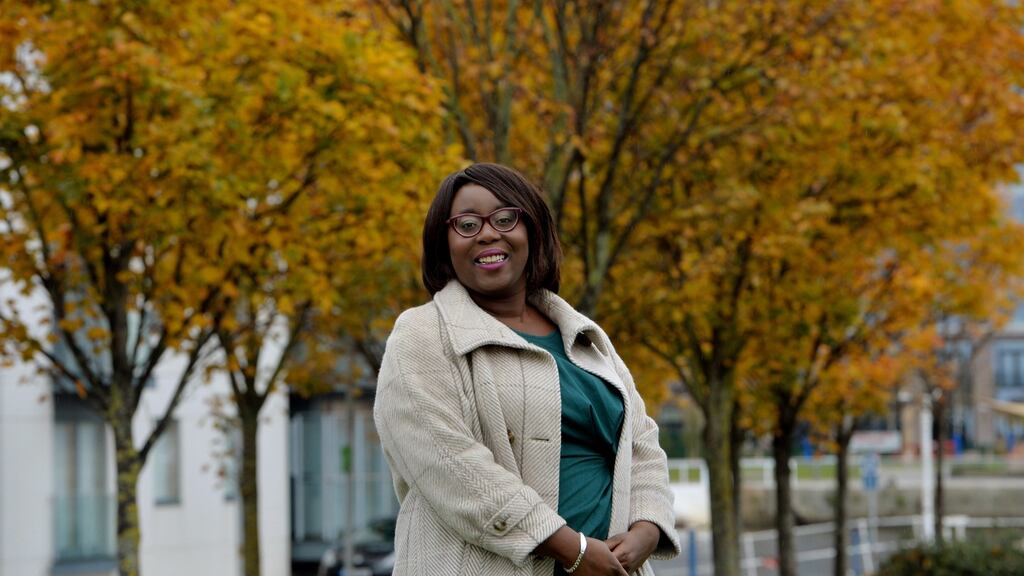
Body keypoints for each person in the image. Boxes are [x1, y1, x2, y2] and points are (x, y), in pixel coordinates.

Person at [373, 163, 680, 575]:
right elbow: (450, 465)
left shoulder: (586, 338)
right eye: (466, 224)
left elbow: (641, 443)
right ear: (443, 242)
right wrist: (570, 548)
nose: (487, 233)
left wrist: (647, 527)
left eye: (505, 218)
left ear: (532, 230)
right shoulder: (422, 335)